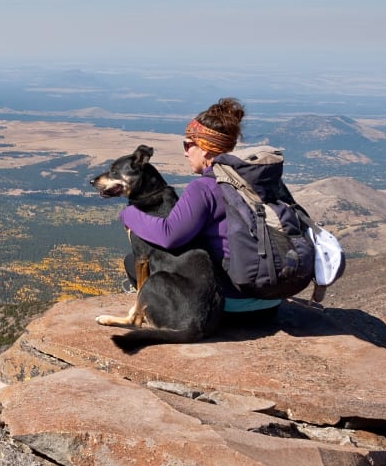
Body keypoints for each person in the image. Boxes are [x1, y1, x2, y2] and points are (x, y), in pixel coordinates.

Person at [119, 97, 281, 325]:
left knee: (132, 262)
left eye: (188, 145)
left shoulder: (204, 187)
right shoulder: (254, 178)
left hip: (230, 306)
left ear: (205, 149)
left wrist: (128, 214)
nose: (185, 152)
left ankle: (152, 312)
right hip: (270, 302)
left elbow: (169, 236)